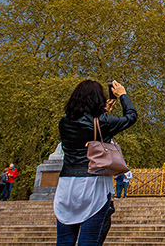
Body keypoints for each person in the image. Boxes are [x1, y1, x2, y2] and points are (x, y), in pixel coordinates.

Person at [54, 79, 138, 246]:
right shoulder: (103, 122)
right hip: (92, 184)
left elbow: (82, 132)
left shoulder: (64, 122)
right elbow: (131, 117)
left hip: (66, 185)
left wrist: (102, 114)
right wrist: (123, 95)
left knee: (64, 241)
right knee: (89, 241)